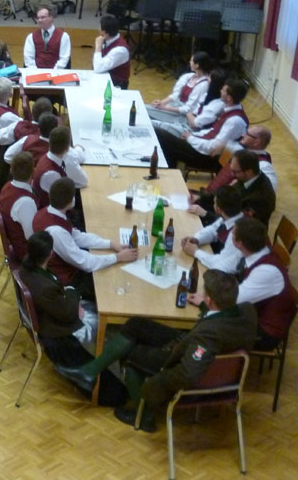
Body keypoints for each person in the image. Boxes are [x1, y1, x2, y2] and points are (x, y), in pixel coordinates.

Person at [55, 270, 257, 432]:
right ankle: (90, 372)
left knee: (130, 354)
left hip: (179, 359)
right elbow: (219, 322)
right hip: (186, 343)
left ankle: (145, 417)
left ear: (211, 299)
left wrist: (157, 383)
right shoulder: (247, 311)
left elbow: (188, 373)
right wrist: (206, 307)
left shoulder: (208, 336)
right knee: (135, 324)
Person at [18, 231, 122, 400]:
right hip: (57, 328)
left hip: (55, 309)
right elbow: (67, 314)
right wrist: (73, 292)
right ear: (50, 254)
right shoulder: (45, 287)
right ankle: (110, 368)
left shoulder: (26, 267)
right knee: (101, 323)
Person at [32, 178, 137, 299]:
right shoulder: (56, 231)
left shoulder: (47, 212)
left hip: (67, 268)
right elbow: (84, 262)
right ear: (71, 200)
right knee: (114, 286)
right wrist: (118, 257)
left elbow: (78, 237)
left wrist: (111, 244)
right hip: (66, 280)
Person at [218, 217, 298, 351]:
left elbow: (233, 301)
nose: (230, 235)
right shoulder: (257, 252)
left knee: (211, 329)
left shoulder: (266, 271)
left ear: (239, 243)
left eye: (232, 234)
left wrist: (206, 299)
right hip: (252, 313)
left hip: (264, 332)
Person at [156, 77, 249, 170]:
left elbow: (213, 147)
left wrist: (190, 138)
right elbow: (211, 131)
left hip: (205, 157)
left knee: (160, 134)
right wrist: (192, 136)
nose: (220, 91)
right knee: (168, 145)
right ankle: (169, 171)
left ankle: (168, 171)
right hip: (200, 146)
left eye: (223, 90)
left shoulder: (234, 121)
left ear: (229, 98)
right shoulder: (230, 110)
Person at [189, 149, 276, 227]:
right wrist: (200, 197)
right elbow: (226, 194)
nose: (232, 174)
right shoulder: (247, 178)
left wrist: (205, 214)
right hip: (225, 216)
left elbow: (238, 224)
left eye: (235, 171)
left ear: (249, 172)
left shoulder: (261, 198)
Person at [181, 187, 245, 272]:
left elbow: (221, 264)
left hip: (229, 274)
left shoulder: (236, 233)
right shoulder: (230, 217)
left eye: (214, 203)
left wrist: (196, 252)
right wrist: (196, 239)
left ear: (218, 210)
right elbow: (212, 231)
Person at [30, 126, 88, 207]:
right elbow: (66, 202)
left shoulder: (49, 157)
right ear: (67, 149)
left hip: (56, 200)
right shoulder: (52, 173)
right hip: (50, 208)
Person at [0, 152, 37, 259]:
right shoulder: (25, 202)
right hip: (28, 254)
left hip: (17, 245)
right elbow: (32, 237)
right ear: (33, 172)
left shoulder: (7, 187)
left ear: (11, 170)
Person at [151, 51, 213, 116]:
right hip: (175, 107)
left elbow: (188, 109)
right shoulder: (188, 76)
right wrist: (161, 103)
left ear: (197, 65)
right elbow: (175, 94)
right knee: (149, 109)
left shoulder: (203, 84)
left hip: (184, 115)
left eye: (191, 61)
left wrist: (165, 108)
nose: (190, 62)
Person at [22, 5, 71, 69]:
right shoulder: (31, 37)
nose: (39, 20)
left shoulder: (64, 36)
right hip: (36, 72)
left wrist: (54, 72)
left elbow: (64, 59)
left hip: (57, 72)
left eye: (42, 17)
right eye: (38, 18)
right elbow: (28, 58)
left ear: (51, 18)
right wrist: (36, 72)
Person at [91, 14, 131, 89]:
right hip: (103, 80)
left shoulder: (120, 50)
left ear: (104, 32)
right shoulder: (106, 39)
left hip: (116, 86)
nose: (98, 29)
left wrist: (98, 48)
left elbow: (98, 68)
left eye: (99, 27)